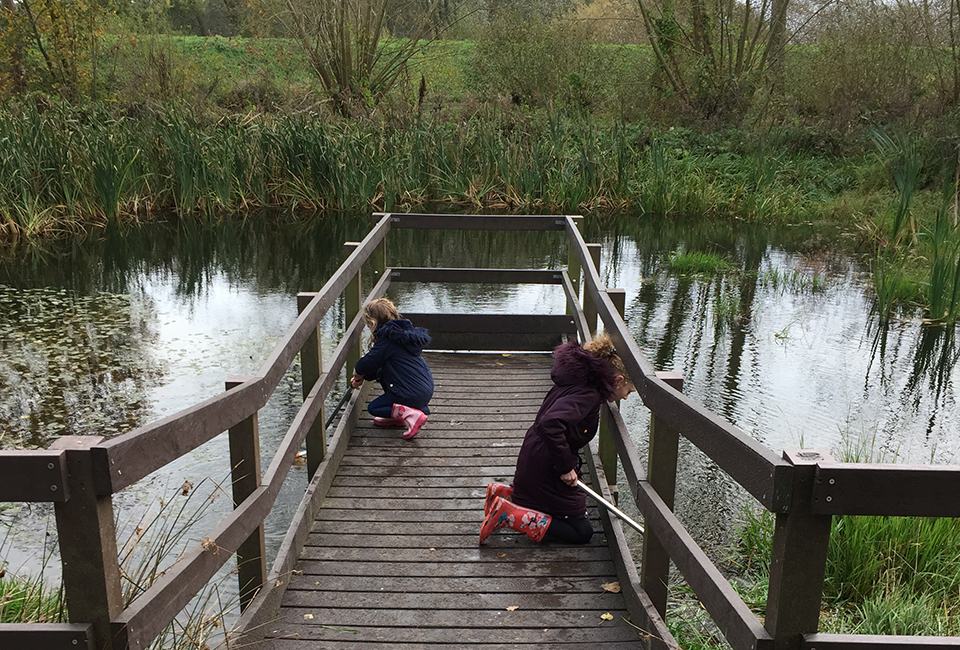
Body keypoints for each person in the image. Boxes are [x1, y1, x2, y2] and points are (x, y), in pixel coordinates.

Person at [479, 332, 635, 544]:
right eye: (628, 391)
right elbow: (550, 423)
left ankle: (506, 494)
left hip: (538, 454)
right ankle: (508, 514)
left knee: (572, 510)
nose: (625, 397)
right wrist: (565, 467)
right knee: (582, 532)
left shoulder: (580, 379)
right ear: (618, 380)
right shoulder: (588, 394)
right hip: (547, 463)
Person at [350, 298, 434, 440]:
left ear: (373, 323)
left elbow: (368, 362)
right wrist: (365, 376)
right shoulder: (403, 336)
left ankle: (409, 414)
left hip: (410, 393)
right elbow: (378, 366)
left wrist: (357, 373)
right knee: (382, 372)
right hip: (424, 389)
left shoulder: (388, 340)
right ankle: (399, 417)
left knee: (374, 408)